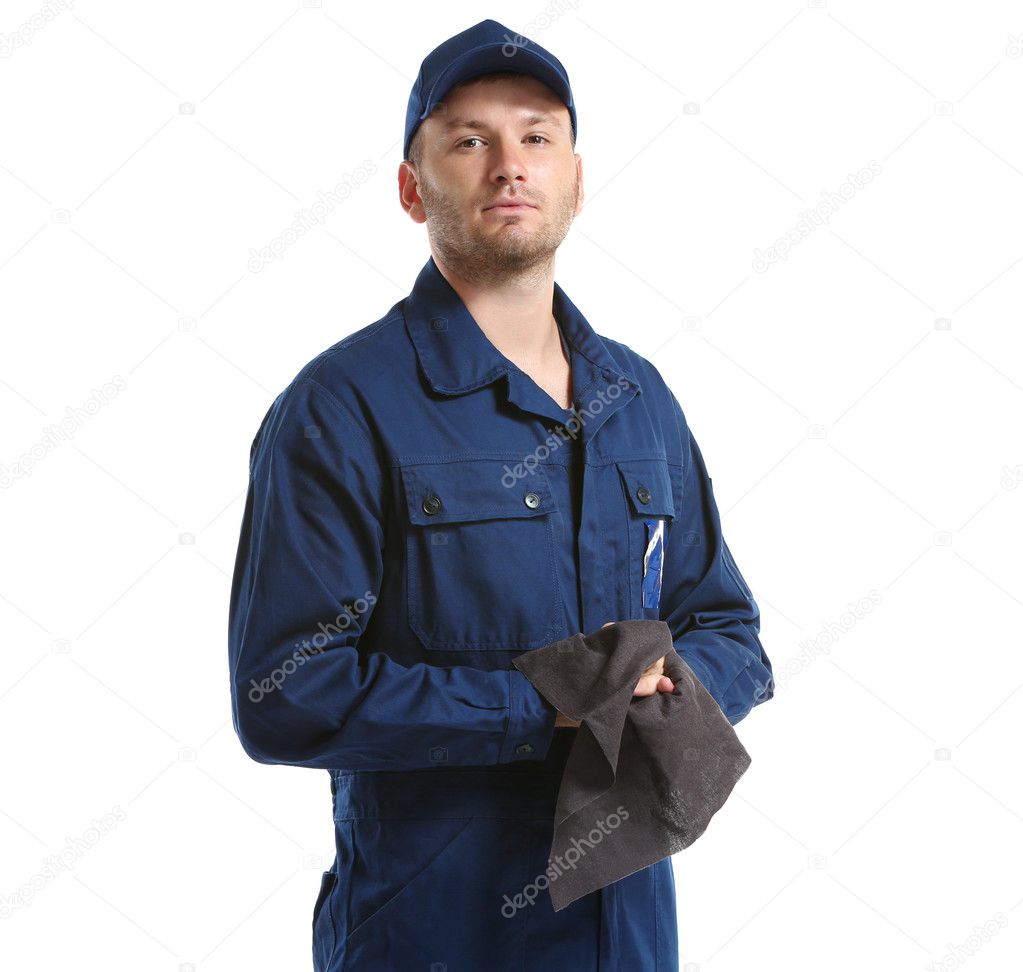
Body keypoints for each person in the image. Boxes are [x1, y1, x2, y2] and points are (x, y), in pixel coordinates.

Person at [227, 18, 774, 972]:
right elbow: (285, 698)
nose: (507, 164)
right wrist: (550, 707)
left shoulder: (636, 397)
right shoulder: (341, 407)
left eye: (536, 136)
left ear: (575, 177)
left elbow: (726, 626)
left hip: (628, 930)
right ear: (412, 188)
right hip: (434, 933)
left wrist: (661, 697)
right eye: (469, 139)